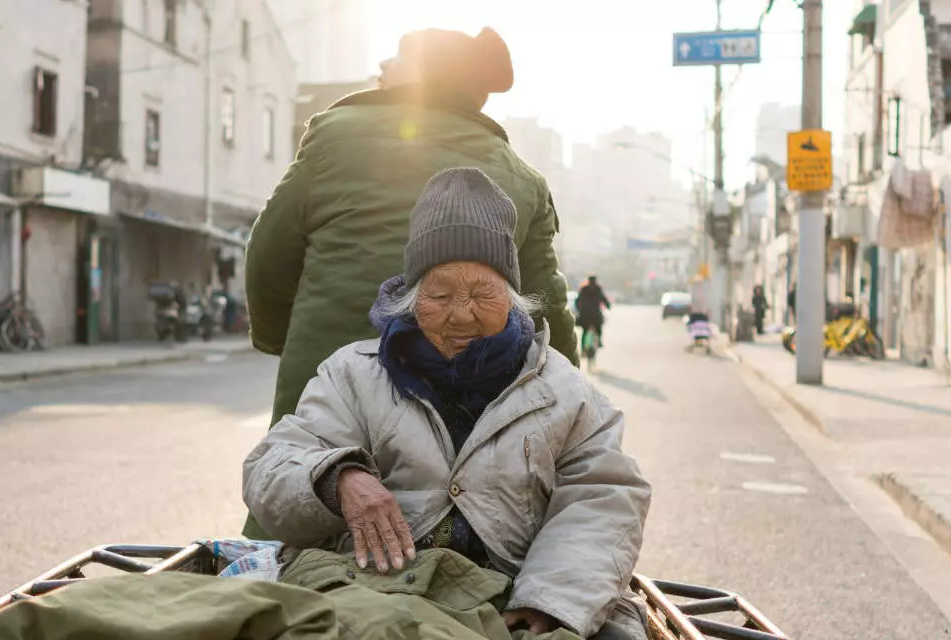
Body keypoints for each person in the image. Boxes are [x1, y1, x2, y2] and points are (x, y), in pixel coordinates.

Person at [244, 169, 651, 640]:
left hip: (515, 597)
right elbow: (271, 467)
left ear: (512, 298)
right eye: (439, 295)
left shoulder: (565, 391)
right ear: (411, 298)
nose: (461, 314)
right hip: (377, 594)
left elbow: (604, 498)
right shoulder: (352, 375)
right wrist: (337, 479)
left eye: (482, 294)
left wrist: (549, 601)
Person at [243, 26, 579, 538]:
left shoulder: (334, 138)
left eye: (398, 56)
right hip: (466, 419)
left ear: (427, 76)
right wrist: (566, 399)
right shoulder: (522, 177)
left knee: (296, 507)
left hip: (322, 393)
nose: (383, 66)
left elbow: (268, 260)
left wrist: (277, 339)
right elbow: (546, 308)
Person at [575, 275, 611, 348]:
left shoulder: (584, 289)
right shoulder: (598, 289)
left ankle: (583, 348)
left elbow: (577, 301)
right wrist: (608, 306)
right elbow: (603, 299)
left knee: (585, 331)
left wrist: (579, 309)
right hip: (596, 314)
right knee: (598, 329)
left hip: (585, 314)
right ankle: (599, 341)